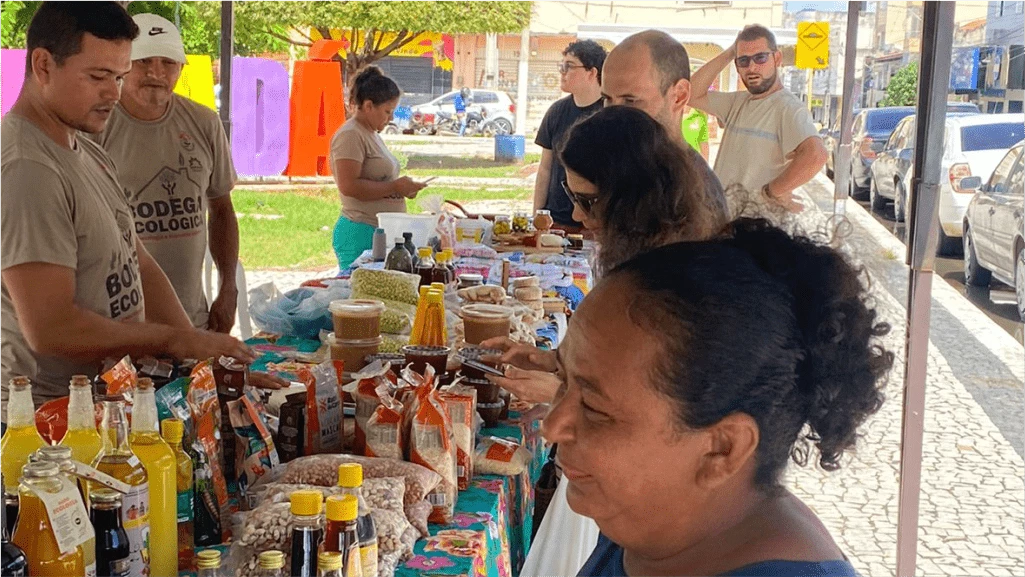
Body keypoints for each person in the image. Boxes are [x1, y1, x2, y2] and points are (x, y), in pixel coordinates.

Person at [560, 219, 892, 576]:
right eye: (563, 381)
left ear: (722, 449)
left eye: (594, 409)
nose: (553, 426)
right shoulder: (653, 519)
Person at [1, 1, 254, 412]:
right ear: (44, 66)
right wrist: (173, 339)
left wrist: (198, 353)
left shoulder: (84, 147)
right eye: (98, 76)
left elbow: (137, 260)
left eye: (118, 77)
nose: (113, 93)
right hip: (49, 420)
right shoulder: (27, 168)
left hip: (107, 400)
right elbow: (50, 328)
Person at [486, 105, 727, 413]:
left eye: (587, 201)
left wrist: (562, 393)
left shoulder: (675, 283)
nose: (576, 215)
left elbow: (658, 407)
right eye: (572, 196)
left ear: (634, 199)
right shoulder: (650, 257)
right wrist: (556, 363)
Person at [92, 14, 240, 334]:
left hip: (192, 320)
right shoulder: (94, 127)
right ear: (122, 65)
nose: (156, 73)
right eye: (143, 60)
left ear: (181, 69)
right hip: (121, 325)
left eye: (168, 62)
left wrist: (228, 287)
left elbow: (222, 208)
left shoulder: (204, 123)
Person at [690, 24, 829, 217]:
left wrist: (772, 192)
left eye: (760, 58)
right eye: (743, 61)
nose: (752, 67)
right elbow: (691, 93)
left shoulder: (788, 108)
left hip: (756, 228)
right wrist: (731, 52)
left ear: (777, 58)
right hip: (723, 220)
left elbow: (816, 154)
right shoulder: (737, 102)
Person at [600, 29, 726, 214]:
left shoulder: (696, 194)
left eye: (630, 101)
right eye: (607, 99)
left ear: (679, 96)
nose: (613, 114)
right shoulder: (621, 164)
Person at [330, 66, 428, 268]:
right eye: (387, 112)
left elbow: (379, 181)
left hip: (380, 231)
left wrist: (403, 189)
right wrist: (394, 187)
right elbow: (349, 186)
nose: (390, 118)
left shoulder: (371, 133)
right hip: (361, 230)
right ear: (368, 106)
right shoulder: (350, 135)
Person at [534, 39, 607, 234]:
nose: (562, 72)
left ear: (592, 72)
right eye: (562, 65)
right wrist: (537, 216)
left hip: (595, 226)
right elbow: (545, 169)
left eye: (570, 66)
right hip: (556, 222)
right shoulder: (556, 112)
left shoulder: (610, 113)